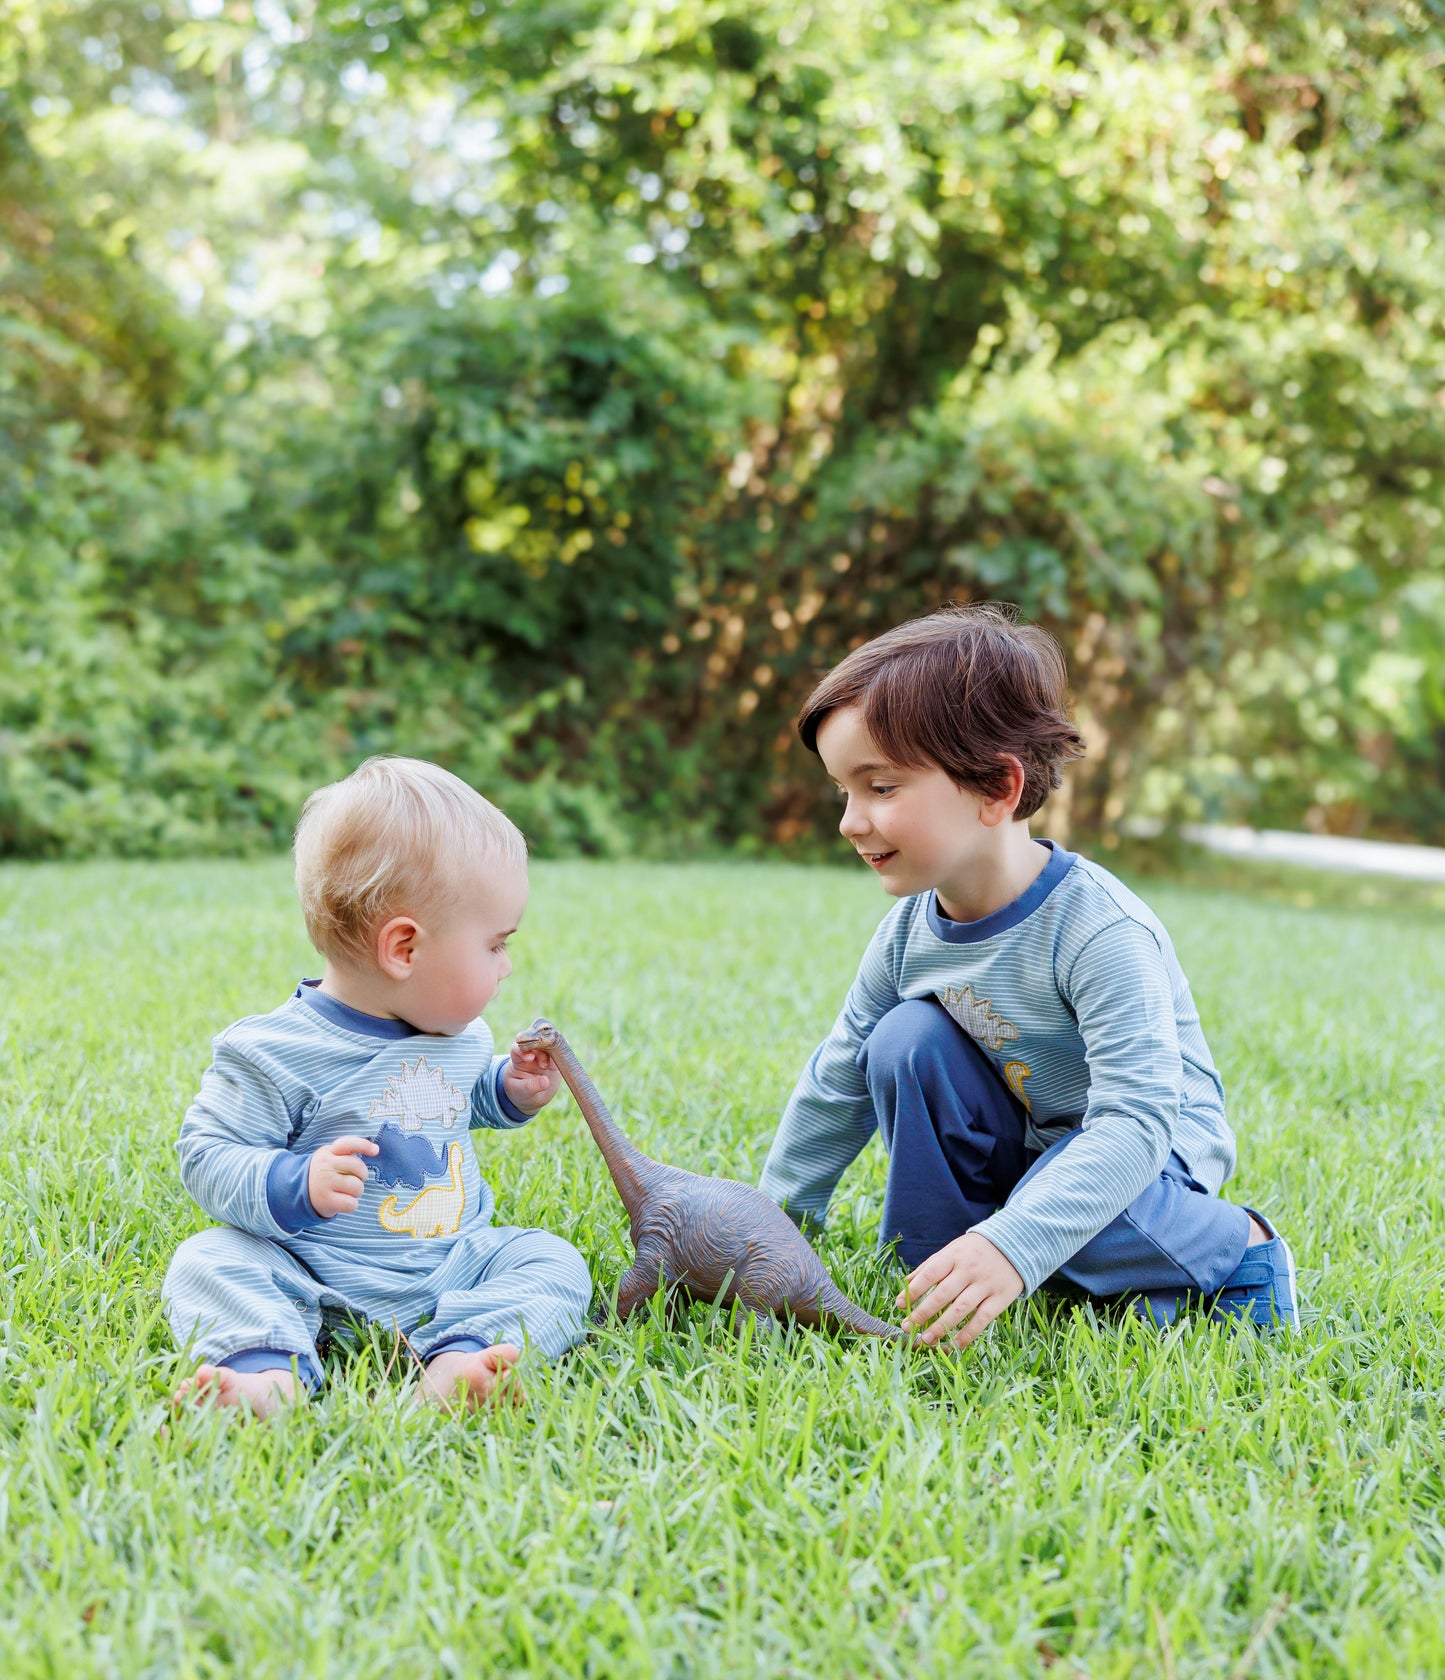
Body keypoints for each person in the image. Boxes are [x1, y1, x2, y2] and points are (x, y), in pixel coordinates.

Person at [759, 604, 1297, 1347]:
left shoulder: (1098, 929)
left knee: (1088, 1214)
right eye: (842, 792)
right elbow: (838, 1079)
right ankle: (947, 1265)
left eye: (879, 788)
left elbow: (1136, 1124)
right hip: (1029, 1139)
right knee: (902, 1038)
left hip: (1141, 1157)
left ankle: (1234, 1246)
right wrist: (770, 1229)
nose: (850, 820)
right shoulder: (908, 932)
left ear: (997, 789)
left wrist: (1014, 1243)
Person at [163, 757, 592, 1417]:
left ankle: (462, 1359)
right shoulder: (274, 1052)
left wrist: (505, 1091)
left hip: (452, 1265)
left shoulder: (459, 1035)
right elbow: (206, 1153)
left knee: (550, 1259)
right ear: (405, 950)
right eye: (495, 945)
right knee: (212, 1259)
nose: (505, 968)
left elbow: (455, 1104)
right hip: (311, 1273)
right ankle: (263, 1376)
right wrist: (293, 1182)